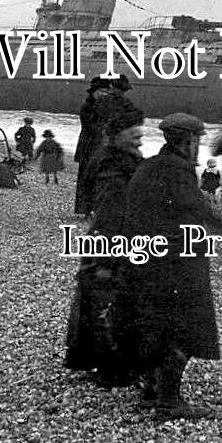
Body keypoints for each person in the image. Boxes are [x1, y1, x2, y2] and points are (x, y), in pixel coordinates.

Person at [114, 113, 222, 420]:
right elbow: (199, 210)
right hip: (175, 264)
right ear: (189, 141)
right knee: (185, 328)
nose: (198, 146)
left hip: (141, 260)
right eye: (197, 140)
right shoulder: (178, 170)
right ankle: (168, 400)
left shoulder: (148, 165)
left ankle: (151, 390)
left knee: (151, 326)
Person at [65, 101, 146, 386]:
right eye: (132, 130)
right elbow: (112, 209)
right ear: (116, 133)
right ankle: (113, 370)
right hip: (112, 239)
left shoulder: (116, 157)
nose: (139, 134)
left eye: (140, 129)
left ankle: (101, 363)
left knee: (99, 302)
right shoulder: (114, 163)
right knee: (110, 301)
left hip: (108, 237)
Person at [73, 77, 114, 213]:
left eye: (106, 92)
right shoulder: (87, 106)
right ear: (94, 92)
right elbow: (90, 127)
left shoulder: (106, 106)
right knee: (87, 176)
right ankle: (85, 209)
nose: (103, 94)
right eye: (101, 91)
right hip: (89, 145)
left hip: (100, 144)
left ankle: (97, 209)